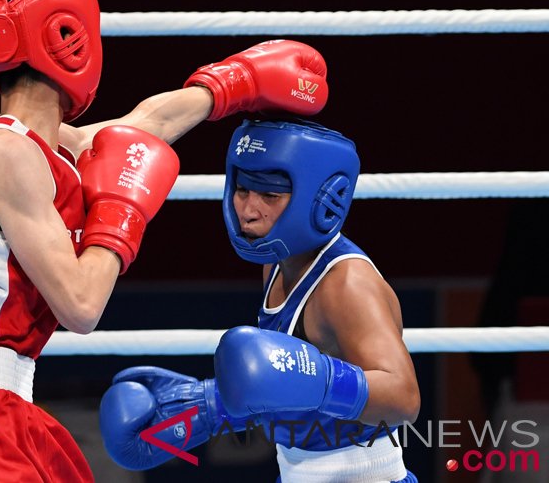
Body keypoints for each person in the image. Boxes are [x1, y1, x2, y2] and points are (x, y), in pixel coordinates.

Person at [0, 0, 330, 483]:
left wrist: (234, 84)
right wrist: (121, 214)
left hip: (3, 407)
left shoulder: (44, 147)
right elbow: (80, 304)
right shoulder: (4, 155)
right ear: (68, 37)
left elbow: (146, 125)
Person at [99, 118, 421, 481]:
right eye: (242, 190)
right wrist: (211, 406)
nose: (249, 211)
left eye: (270, 196)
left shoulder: (346, 284)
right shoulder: (276, 262)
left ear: (320, 198)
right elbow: (288, 382)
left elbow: (404, 398)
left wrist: (321, 379)